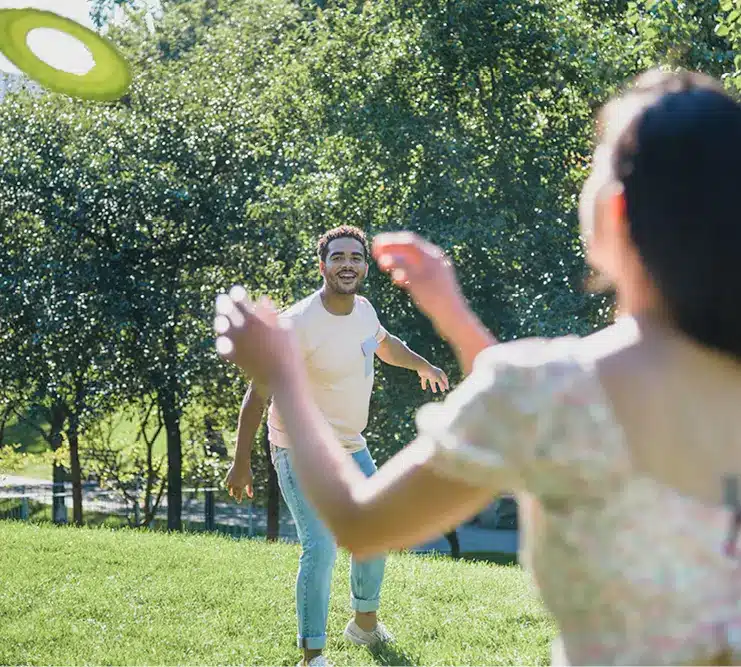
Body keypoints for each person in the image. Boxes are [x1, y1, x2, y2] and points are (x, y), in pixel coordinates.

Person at [215, 69, 741, 665]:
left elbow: (362, 524)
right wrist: (456, 319)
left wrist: (280, 372)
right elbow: (531, 415)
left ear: (614, 216)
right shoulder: (549, 394)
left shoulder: (549, 391)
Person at [223, 225, 449, 667]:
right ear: (322, 264)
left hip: (349, 445)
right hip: (299, 448)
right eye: (338, 257)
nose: (348, 264)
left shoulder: (364, 310)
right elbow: (257, 395)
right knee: (321, 545)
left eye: (356, 257)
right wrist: (241, 462)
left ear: (365, 266)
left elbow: (383, 345)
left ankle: (364, 625)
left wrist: (421, 364)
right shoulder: (296, 324)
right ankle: (313, 654)